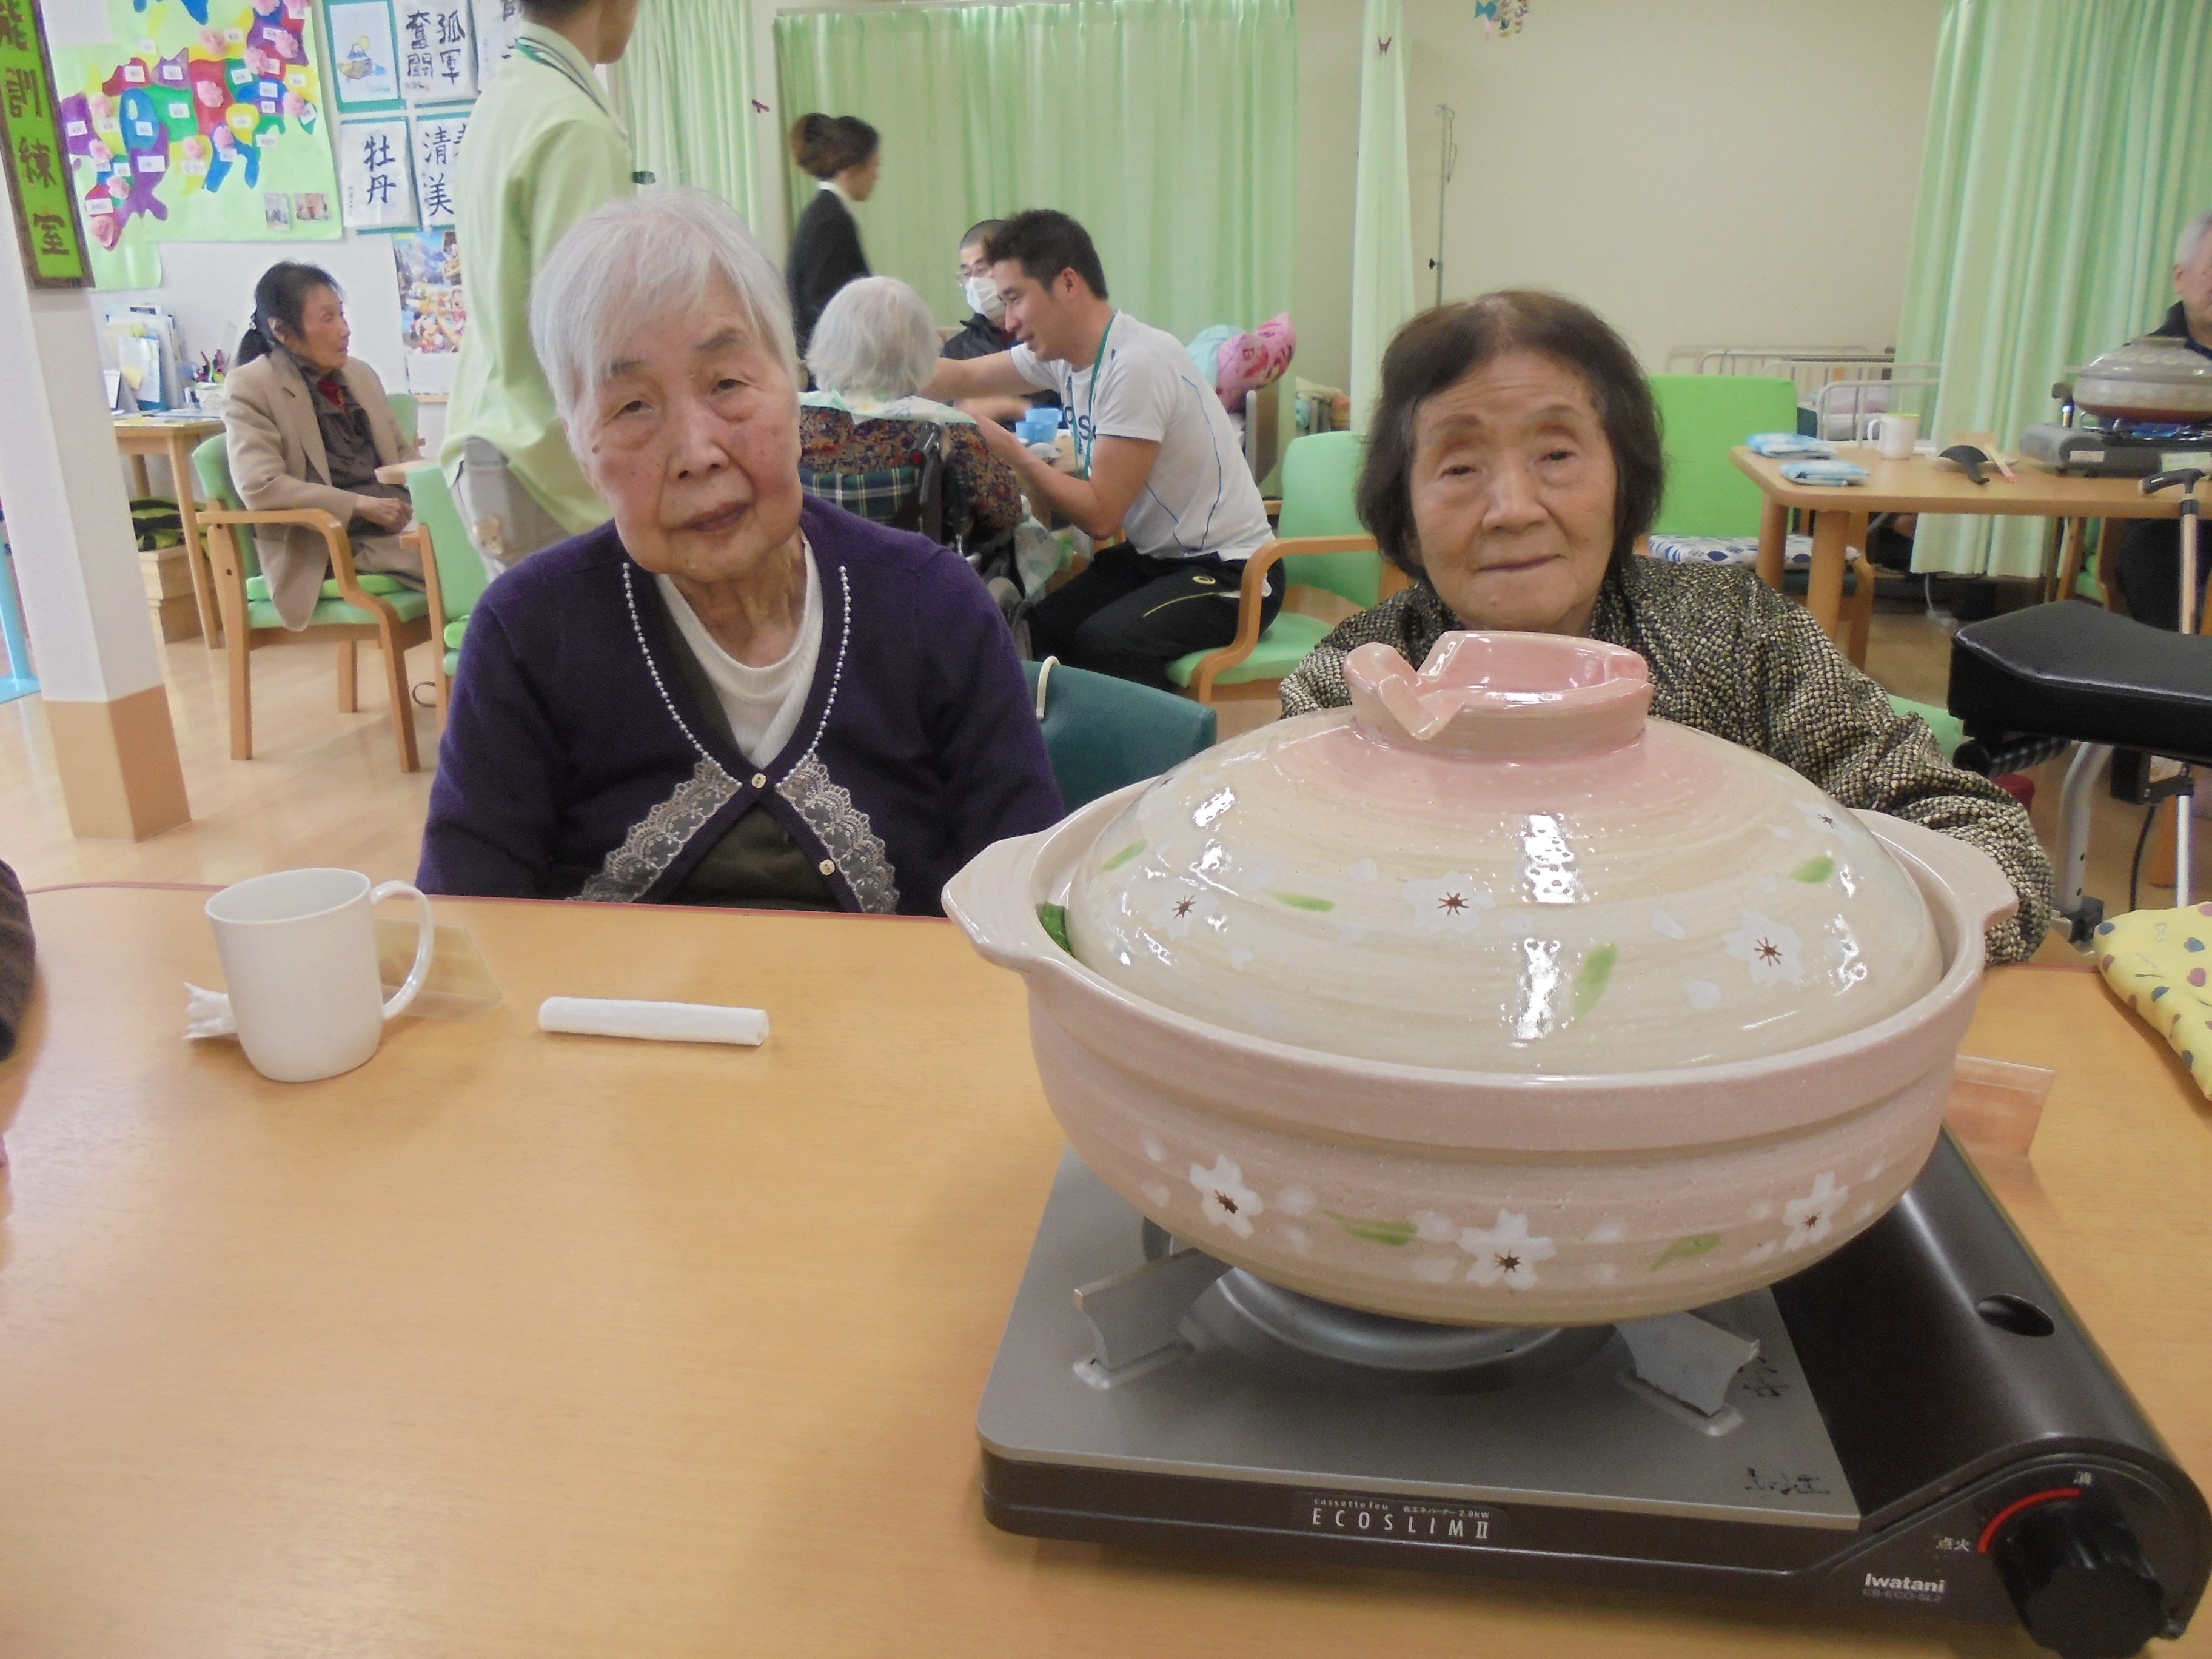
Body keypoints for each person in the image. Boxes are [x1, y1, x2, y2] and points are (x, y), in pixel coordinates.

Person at [1278, 292, 2054, 964]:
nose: (1513, 509)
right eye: (1458, 468)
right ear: (1406, 520)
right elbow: (1290, 899)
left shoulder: (1740, 638)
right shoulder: (1350, 684)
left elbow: (1991, 856)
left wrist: (1780, 951)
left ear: (1625, 486)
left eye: (1556, 454)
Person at [418, 188, 1062, 914]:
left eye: (727, 383)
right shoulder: (529, 634)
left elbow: (1023, 912)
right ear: (581, 449)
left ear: (796, 394)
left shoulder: (935, 607)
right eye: (631, 406)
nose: (697, 452)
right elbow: (466, 926)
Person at [925, 209, 1278, 691]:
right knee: (1041, 630)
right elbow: (963, 375)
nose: (1009, 320)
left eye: (1015, 298)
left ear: (1068, 284)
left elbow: (1100, 516)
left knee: (1108, 643)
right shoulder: (1064, 357)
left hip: (1236, 572)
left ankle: (1165, 742)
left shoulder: (1136, 364)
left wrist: (1015, 453)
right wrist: (877, 369)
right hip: (1159, 560)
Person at [442, 0, 641, 574]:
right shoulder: (573, 126)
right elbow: (592, 327)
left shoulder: (506, 99)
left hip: (493, 438)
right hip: (549, 469)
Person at [221, 261, 422, 631]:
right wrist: (359, 504)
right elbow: (261, 486)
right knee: (453, 557)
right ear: (283, 331)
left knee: (488, 537)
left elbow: (402, 455)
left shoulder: (360, 375)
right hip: (328, 543)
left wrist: (440, 484)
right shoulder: (251, 386)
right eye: (328, 319)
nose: (345, 330)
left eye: (341, 315)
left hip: (394, 524)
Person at [802, 276, 1023, 558]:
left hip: (820, 575)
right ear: (921, 349)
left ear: (828, 341)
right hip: (920, 578)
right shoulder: (950, 429)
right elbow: (1006, 514)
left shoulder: (793, 418)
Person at [2111, 209, 2212, 632]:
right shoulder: (2141, 366)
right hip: (2171, 519)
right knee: (2162, 553)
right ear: (2180, 277)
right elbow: (2118, 449)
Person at [940, 217, 1057, 428]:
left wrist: (1009, 407)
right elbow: (946, 422)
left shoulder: (1052, 339)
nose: (974, 282)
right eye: (967, 273)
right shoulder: (956, 350)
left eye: (982, 269)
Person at [785, 114, 878, 360]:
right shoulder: (831, 221)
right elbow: (826, 306)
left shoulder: (827, 213)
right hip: (832, 365)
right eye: (875, 165)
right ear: (852, 167)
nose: (877, 175)